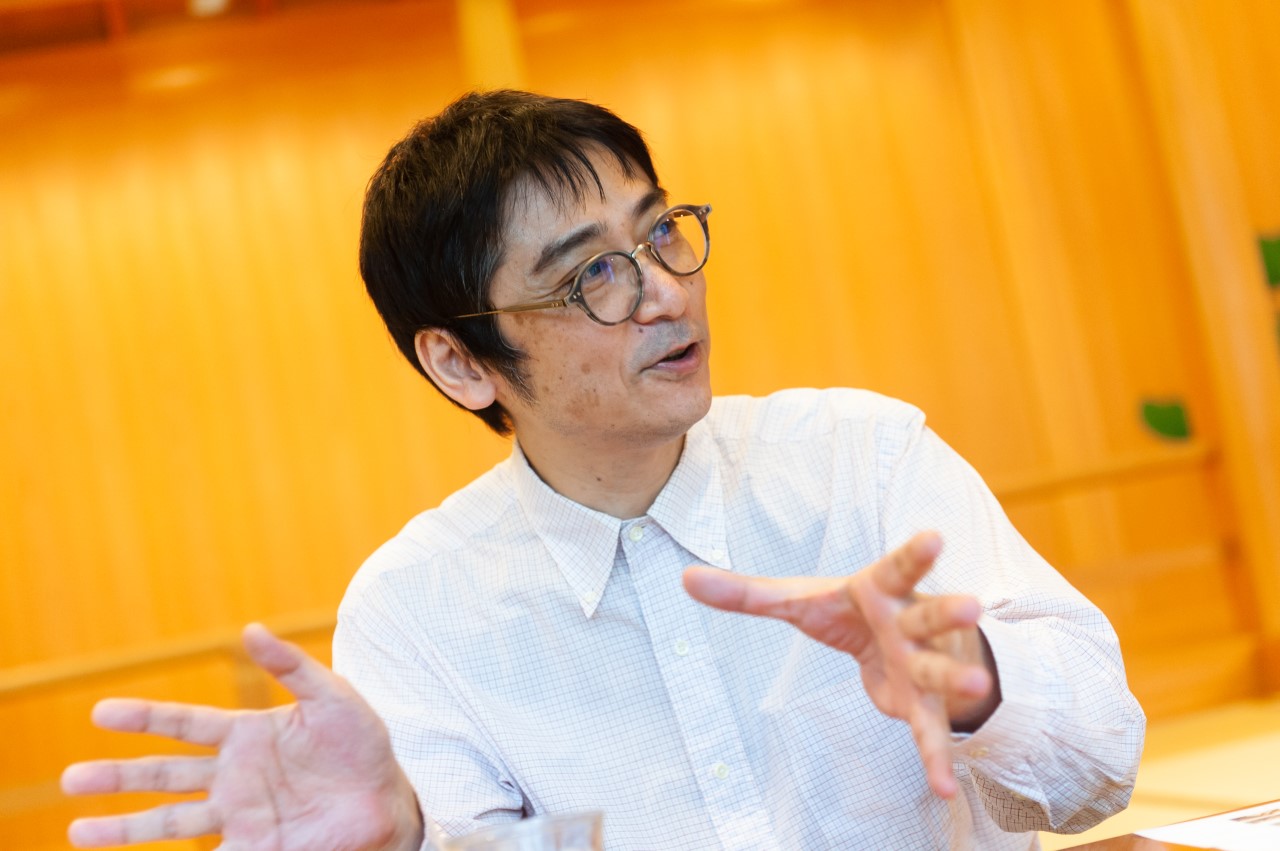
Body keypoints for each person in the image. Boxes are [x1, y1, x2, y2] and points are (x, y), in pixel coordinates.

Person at [62, 90, 1144, 850]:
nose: (665, 291)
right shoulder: (414, 613)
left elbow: (1100, 767)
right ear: (460, 362)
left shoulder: (859, 460)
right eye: (591, 277)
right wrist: (400, 837)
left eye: (661, 233)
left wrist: (975, 675)